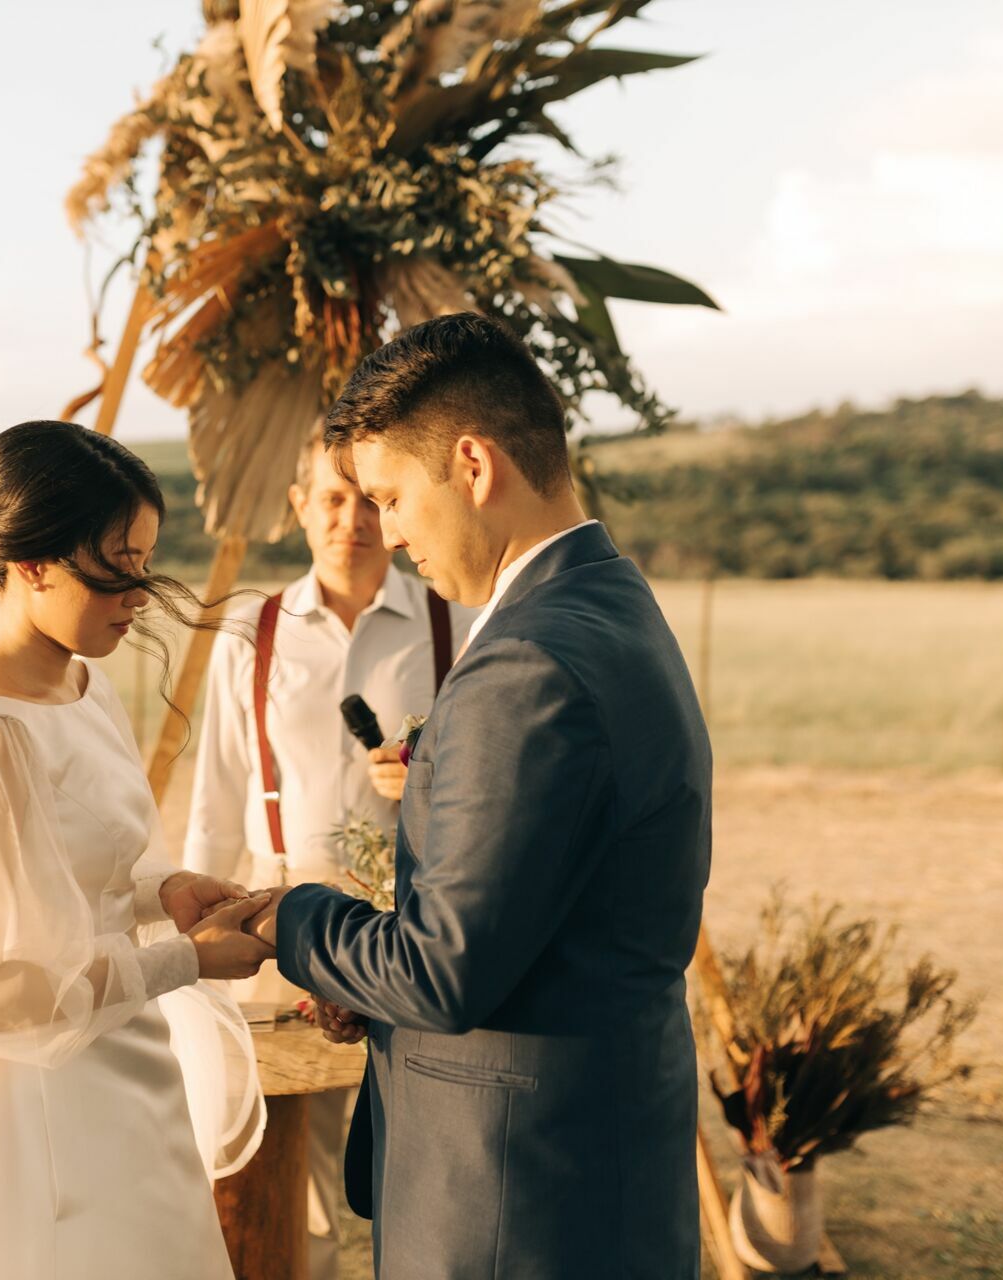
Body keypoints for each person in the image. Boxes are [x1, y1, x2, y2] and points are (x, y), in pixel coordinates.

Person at [247, 315, 713, 1278]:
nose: (386, 529)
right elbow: (541, 926)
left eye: (391, 496)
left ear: (472, 465)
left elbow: (442, 973)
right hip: (597, 1159)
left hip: (516, 1201)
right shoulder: (612, 601)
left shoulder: (524, 666)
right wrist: (364, 995)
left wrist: (294, 921)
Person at [0, 420, 274, 1280]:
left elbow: (79, 871)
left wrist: (162, 888)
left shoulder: (83, 681)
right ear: (32, 565)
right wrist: (184, 962)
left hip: (130, 1069)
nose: (139, 594)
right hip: (39, 1102)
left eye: (144, 562)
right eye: (119, 568)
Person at [184, 430, 475, 1279]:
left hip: (409, 928)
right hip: (277, 930)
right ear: (299, 507)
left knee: (409, 1165)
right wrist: (196, 960)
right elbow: (213, 801)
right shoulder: (251, 633)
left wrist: (425, 771)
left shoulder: (450, 623)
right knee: (285, 1182)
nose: (350, 519)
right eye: (330, 498)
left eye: (368, 499)